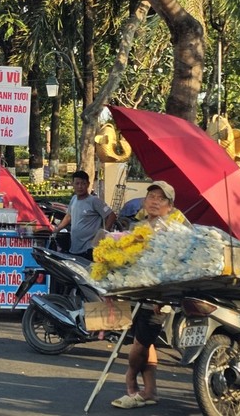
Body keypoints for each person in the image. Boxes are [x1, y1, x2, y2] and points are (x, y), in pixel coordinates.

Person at [111, 181, 188, 410]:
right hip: (138, 292)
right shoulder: (140, 226)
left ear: (170, 206)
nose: (155, 201)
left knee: (141, 343)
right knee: (145, 342)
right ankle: (151, 391)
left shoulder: (174, 229)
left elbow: (175, 263)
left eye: (161, 198)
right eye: (151, 196)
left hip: (159, 296)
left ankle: (130, 377)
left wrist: (163, 296)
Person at [52, 170, 115, 260]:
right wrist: (57, 229)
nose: (80, 186)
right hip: (75, 247)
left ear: (88, 184)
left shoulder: (94, 201)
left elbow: (111, 215)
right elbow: (69, 216)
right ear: (72, 184)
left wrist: (103, 233)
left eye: (83, 183)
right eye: (77, 183)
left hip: (89, 249)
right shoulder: (74, 199)